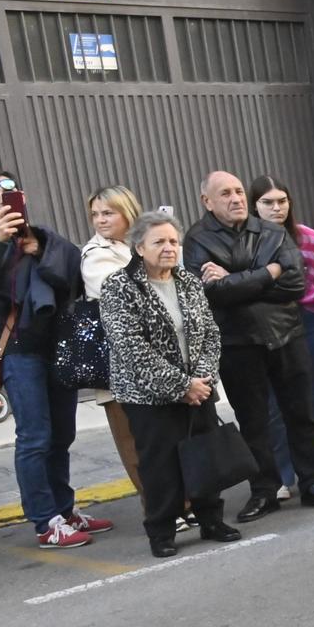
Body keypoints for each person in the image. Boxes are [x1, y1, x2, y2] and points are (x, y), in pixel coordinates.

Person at [0, 168, 107, 547]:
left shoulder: (40, 236)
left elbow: (74, 276)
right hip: (17, 352)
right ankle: (46, 522)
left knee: (62, 434)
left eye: (9, 191)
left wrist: (40, 251)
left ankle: (65, 509)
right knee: (34, 437)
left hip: (58, 347)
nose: (0, 198)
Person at [185, 171, 314, 521]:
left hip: (287, 333)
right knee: (254, 420)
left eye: (239, 191)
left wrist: (234, 279)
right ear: (207, 202)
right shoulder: (197, 240)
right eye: (225, 193)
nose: (236, 198)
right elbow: (211, 293)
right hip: (238, 342)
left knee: (303, 413)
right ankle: (264, 490)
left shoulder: (271, 232)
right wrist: (267, 273)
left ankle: (313, 481)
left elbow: (295, 283)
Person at [98, 211, 243, 558]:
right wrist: (181, 385)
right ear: (139, 247)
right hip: (148, 395)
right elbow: (130, 346)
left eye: (173, 241)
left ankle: (211, 519)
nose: (168, 248)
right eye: (159, 242)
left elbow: (210, 332)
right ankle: (161, 531)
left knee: (204, 454)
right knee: (159, 463)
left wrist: (202, 378)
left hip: (199, 387)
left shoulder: (188, 281)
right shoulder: (118, 286)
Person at [250, 175, 314, 494]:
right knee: (273, 404)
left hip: (308, 323)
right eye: (267, 203)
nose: (276, 208)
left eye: (282, 201)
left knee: (310, 401)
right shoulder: (248, 242)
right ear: (254, 205)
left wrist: (312, 294)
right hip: (267, 327)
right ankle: (282, 476)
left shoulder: (309, 238)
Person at [81, 184, 144, 496]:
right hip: (117, 365)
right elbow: (123, 296)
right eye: (95, 214)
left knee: (163, 440)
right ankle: (160, 508)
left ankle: (184, 502)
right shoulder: (95, 256)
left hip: (156, 361)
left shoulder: (142, 244)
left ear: (127, 212)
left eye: (108, 212)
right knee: (132, 441)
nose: (100, 220)